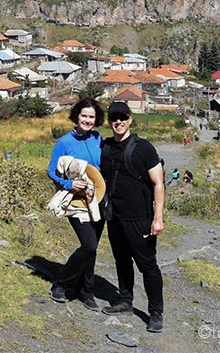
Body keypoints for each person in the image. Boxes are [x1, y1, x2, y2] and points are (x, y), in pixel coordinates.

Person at [100, 101, 166, 333]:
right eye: (114, 118)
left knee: (147, 265)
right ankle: (125, 301)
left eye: (123, 117)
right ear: (109, 121)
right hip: (115, 217)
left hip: (140, 218)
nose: (118, 121)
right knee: (121, 261)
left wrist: (158, 217)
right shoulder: (105, 147)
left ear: (130, 119)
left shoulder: (144, 148)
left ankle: (155, 312)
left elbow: (158, 183)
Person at [46, 97, 106, 311]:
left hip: (96, 199)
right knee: (88, 245)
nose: (88, 120)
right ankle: (62, 284)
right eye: (84, 116)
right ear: (76, 116)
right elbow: (51, 171)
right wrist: (69, 183)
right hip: (75, 200)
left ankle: (86, 291)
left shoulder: (98, 138)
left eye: (91, 117)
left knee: (92, 249)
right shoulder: (64, 142)